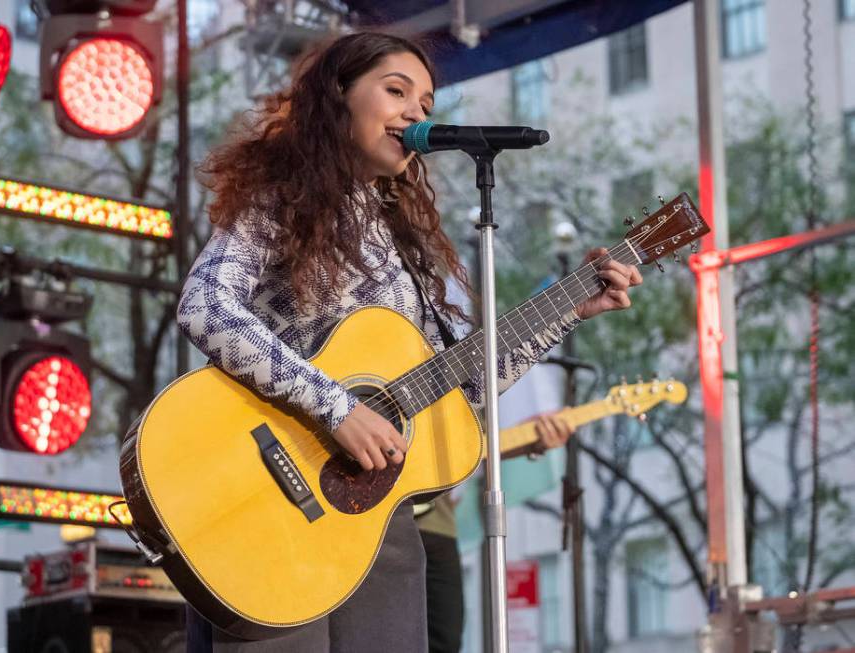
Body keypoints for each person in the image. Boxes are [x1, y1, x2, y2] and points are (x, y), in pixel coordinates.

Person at [177, 30, 643, 653]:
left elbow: (463, 390)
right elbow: (204, 304)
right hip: (269, 494)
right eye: (396, 91)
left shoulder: (401, 240)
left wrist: (568, 311)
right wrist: (336, 407)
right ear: (338, 95)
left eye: (425, 105)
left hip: (376, 518)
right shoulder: (283, 199)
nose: (415, 114)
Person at [417, 414, 575, 653]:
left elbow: (474, 443)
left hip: (437, 524)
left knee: (444, 639)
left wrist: (528, 439)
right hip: (372, 519)